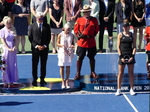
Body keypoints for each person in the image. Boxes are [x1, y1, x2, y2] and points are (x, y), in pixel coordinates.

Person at [74, 4, 99, 80]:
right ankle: (78, 73)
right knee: (80, 57)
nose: (86, 13)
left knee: (92, 57)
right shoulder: (79, 20)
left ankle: (92, 72)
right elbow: (76, 30)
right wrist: (79, 35)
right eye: (85, 12)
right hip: (82, 41)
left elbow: (96, 30)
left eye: (88, 11)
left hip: (91, 41)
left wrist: (91, 35)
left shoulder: (94, 20)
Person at [28, 12, 51, 86]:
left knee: (43, 64)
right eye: (40, 18)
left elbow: (49, 37)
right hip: (35, 49)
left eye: (42, 18)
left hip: (44, 49)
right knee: (35, 64)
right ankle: (35, 79)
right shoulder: (32, 26)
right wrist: (36, 46)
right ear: (36, 18)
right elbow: (30, 38)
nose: (42, 20)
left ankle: (42, 79)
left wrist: (44, 45)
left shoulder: (47, 26)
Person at [115, 22, 136, 96]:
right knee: (120, 73)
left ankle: (131, 89)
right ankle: (118, 89)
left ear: (128, 27)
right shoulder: (120, 35)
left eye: (126, 26)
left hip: (130, 56)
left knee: (131, 73)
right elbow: (118, 47)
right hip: (122, 56)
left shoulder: (132, 35)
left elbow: (134, 47)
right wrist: (121, 57)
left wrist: (132, 56)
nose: (125, 28)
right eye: (124, 26)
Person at [0, 16, 18, 85]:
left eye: (10, 23)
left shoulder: (13, 29)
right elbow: (3, 41)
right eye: (8, 23)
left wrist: (15, 47)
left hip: (12, 49)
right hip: (6, 50)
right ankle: (6, 80)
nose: (10, 24)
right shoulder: (2, 31)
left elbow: (15, 39)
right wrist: (8, 48)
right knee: (5, 64)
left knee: (13, 64)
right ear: (5, 23)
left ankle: (12, 79)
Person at [57, 23, 74, 89]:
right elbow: (57, 43)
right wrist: (61, 45)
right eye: (67, 29)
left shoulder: (72, 35)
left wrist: (72, 46)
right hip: (62, 52)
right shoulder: (60, 35)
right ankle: (62, 81)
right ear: (64, 29)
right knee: (61, 67)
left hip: (69, 52)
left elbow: (72, 43)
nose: (68, 31)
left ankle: (67, 81)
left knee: (68, 67)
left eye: (69, 29)